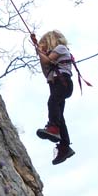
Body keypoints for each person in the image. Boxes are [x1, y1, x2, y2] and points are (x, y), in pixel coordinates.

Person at [33, 30, 75, 165]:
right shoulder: (54, 57)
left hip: (63, 83)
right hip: (59, 84)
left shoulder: (61, 48)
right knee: (59, 115)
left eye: (44, 44)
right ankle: (64, 146)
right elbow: (46, 69)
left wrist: (39, 51)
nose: (43, 47)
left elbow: (48, 60)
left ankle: (53, 128)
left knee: (52, 103)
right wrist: (39, 51)